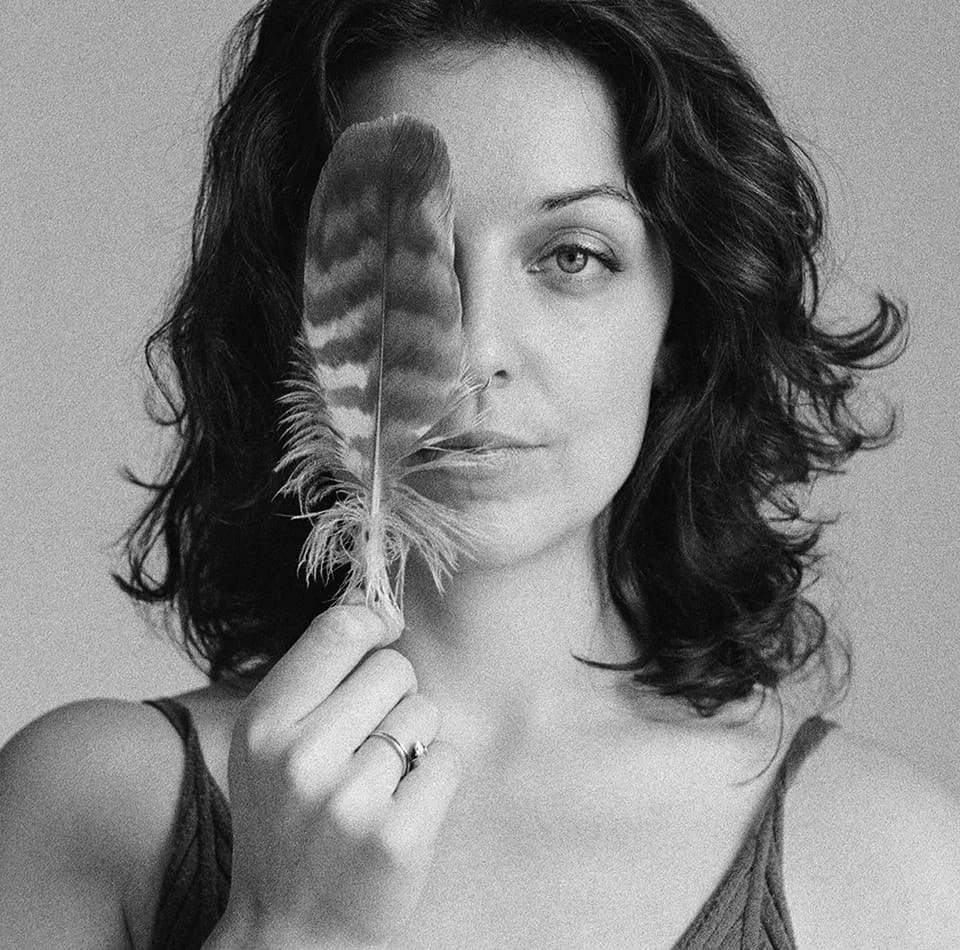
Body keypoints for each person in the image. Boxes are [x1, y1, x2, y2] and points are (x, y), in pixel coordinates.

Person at [1, 0, 958, 947]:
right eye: (413, 259)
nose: (475, 351)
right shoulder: (86, 812)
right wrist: (285, 927)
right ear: (300, 309)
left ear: (682, 317)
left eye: (572, 256)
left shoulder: (889, 863)